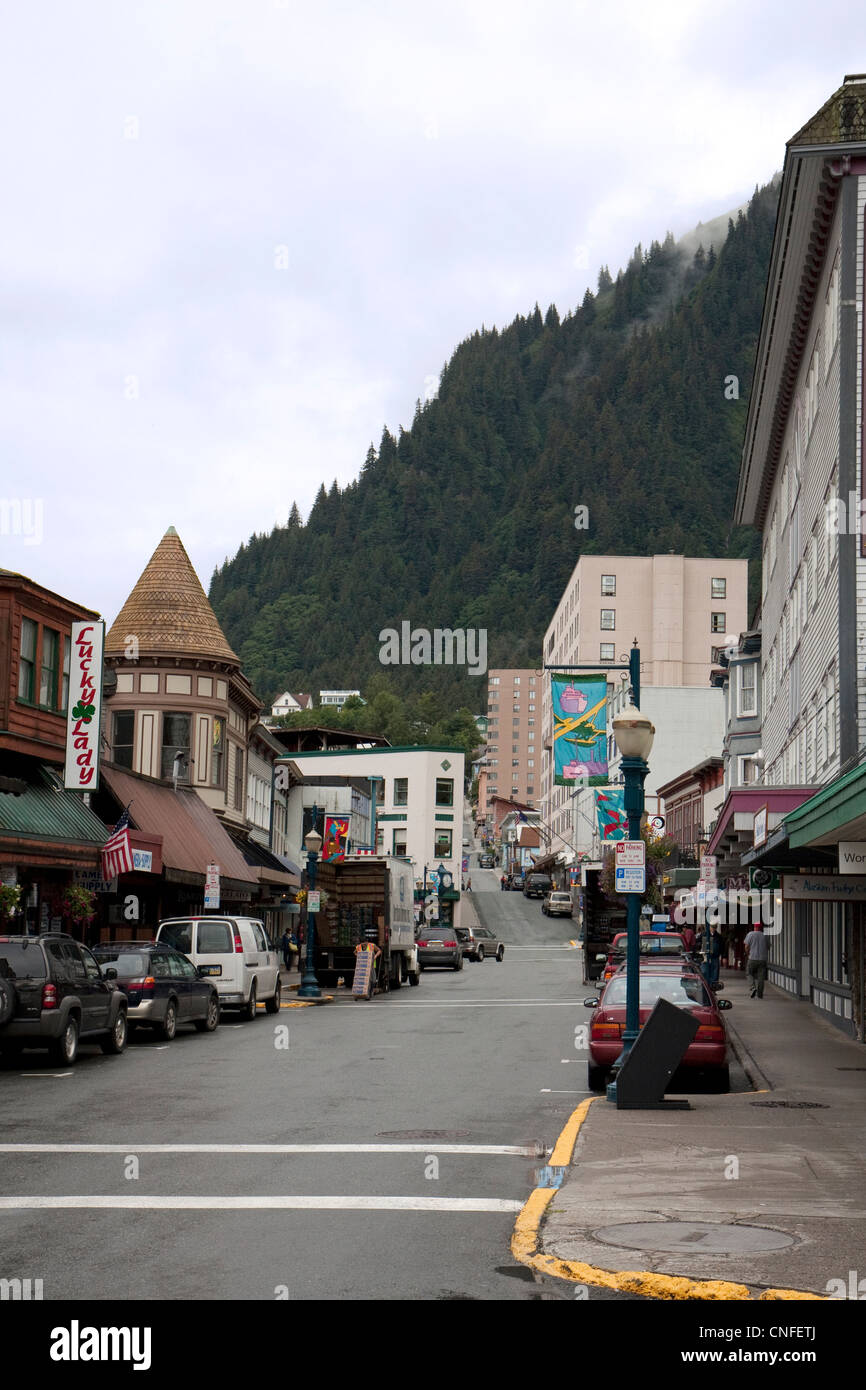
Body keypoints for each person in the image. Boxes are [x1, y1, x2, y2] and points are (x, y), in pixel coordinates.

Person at [744, 921, 769, 998]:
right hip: (762, 959)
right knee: (761, 977)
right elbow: (768, 947)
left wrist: (748, 954)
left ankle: (753, 987)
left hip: (752, 958)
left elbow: (746, 946)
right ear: (761, 928)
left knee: (749, 973)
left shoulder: (750, 934)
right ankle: (760, 994)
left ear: (754, 927)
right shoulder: (764, 935)